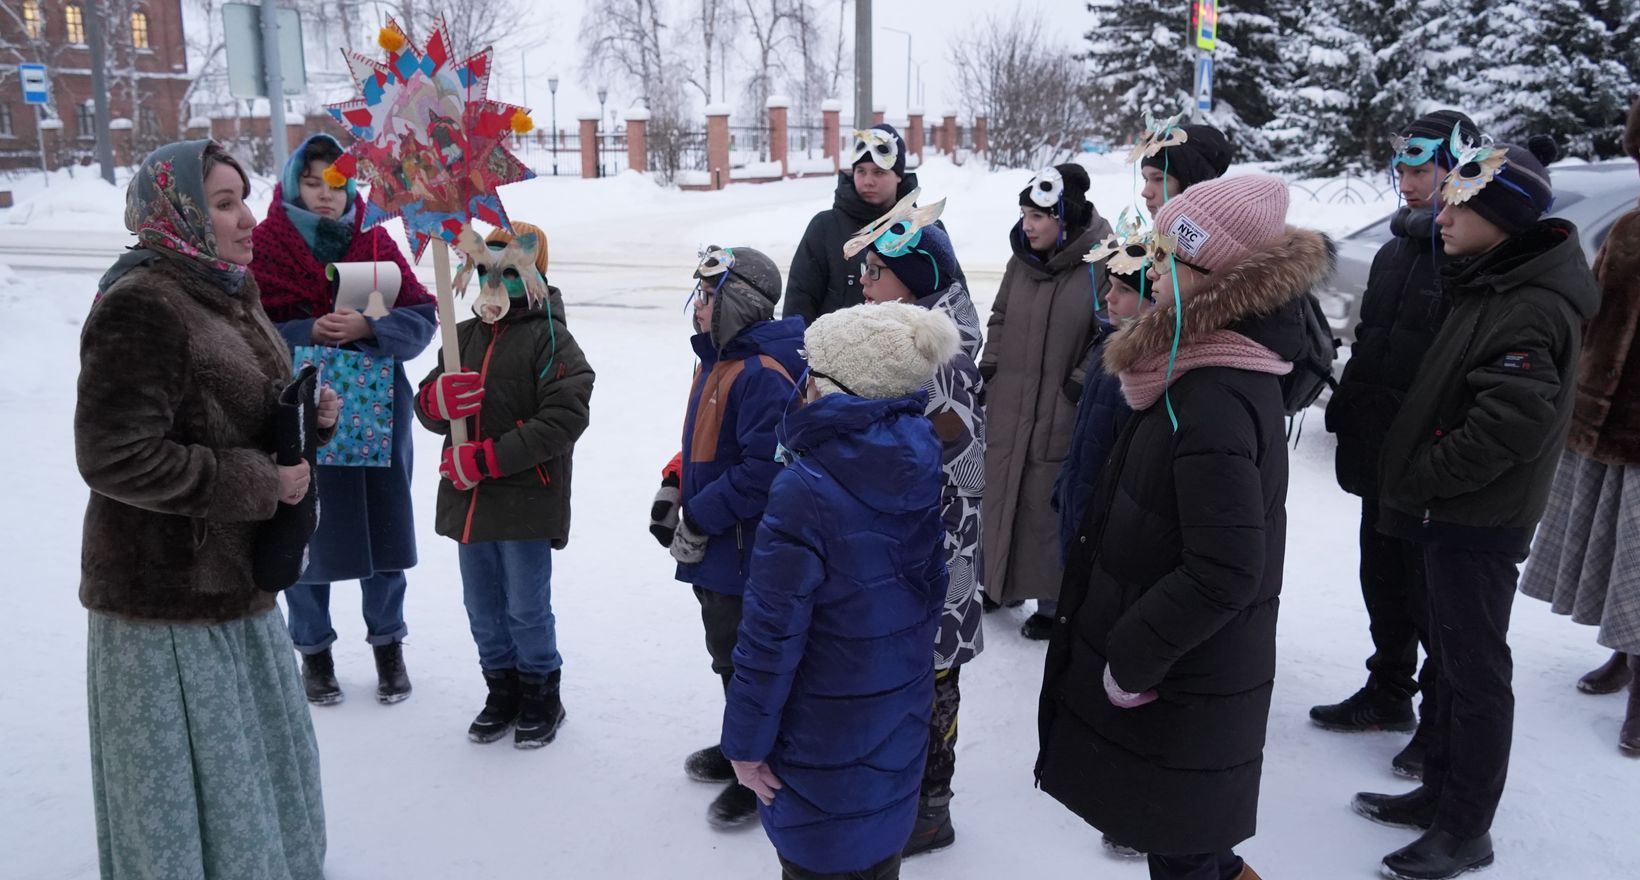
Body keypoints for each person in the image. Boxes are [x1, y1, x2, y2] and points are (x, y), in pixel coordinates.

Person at [1038, 174, 1326, 880]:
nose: (1152, 268)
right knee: (1182, 838)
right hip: (1182, 672)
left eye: (1169, 256)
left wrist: (1131, 657)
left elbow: (1225, 568)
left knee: (1189, 851)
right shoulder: (1187, 367)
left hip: (1181, 678)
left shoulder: (1214, 394)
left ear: (1215, 277)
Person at [77, 139, 337, 879]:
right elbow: (115, 457)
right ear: (179, 214)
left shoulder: (224, 288)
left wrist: (306, 421)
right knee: (185, 795)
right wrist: (261, 482)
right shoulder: (142, 306)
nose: (248, 218)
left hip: (237, 585)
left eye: (243, 198)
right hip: (165, 603)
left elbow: (237, 407)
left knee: (250, 778)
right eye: (224, 203)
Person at [1357, 134, 1597, 880]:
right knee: (1455, 669)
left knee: (1474, 670)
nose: (1445, 216)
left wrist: (1424, 476)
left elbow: (1509, 424)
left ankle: (1466, 828)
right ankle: (1439, 793)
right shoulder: (1493, 279)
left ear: (1506, 218)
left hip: (1474, 519)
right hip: (1452, 514)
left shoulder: (1528, 304)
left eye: (1464, 205)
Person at [722, 301, 957, 880]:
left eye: (810, 374)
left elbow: (770, 638)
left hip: (818, 743)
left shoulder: (806, 490)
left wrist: (745, 746)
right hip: (895, 721)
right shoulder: (920, 454)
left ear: (835, 389)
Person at [1315, 111, 1482, 777]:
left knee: (1428, 595)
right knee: (1380, 580)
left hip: (1431, 464)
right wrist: (1350, 408)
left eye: (1423, 171)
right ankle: (1389, 690)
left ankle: (1439, 715)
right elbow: (1374, 342)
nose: (1410, 184)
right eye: (1404, 171)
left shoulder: (1468, 257)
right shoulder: (1392, 252)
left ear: (1458, 170)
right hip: (1378, 450)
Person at [251, 132, 439, 707]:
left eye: (336, 183)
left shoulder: (372, 238)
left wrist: (369, 328)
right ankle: (314, 655)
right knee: (302, 529)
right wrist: (303, 331)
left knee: (383, 532)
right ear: (292, 184)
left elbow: (422, 316)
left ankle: (389, 648)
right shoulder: (266, 248)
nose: (326, 195)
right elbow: (244, 329)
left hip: (376, 415)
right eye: (312, 183)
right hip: (297, 414)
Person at [414, 222, 595, 749]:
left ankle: (541, 690)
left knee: (525, 606)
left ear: (535, 274)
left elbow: (564, 418)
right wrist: (436, 401)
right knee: (483, 606)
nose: (498, 281)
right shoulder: (462, 335)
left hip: (524, 502)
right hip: (468, 504)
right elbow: (429, 396)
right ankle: (501, 688)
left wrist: (488, 457)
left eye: (512, 270)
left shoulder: (552, 339)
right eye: (489, 269)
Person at [657, 246, 802, 828]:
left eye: (711, 295)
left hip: (747, 550)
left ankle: (764, 763)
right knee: (727, 653)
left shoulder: (761, 371)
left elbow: (762, 471)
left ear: (740, 301)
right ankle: (739, 739)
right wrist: (674, 484)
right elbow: (704, 445)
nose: (700, 306)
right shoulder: (717, 359)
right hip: (721, 547)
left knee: (750, 659)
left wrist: (700, 516)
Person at [854, 220, 986, 855]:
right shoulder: (912, 338)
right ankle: (908, 795)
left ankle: (932, 810)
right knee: (917, 676)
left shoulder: (939, 356)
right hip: (916, 547)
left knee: (933, 679)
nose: (862, 282)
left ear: (915, 281)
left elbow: (943, 460)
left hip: (934, 549)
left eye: (875, 272)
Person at [1517, 99, 1640, 754]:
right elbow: (1592, 311)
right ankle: (1625, 654)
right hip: (1607, 417)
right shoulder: (1627, 229)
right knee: (1615, 549)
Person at [981, 163, 1112, 637]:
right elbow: (998, 316)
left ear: (1065, 216)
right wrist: (991, 363)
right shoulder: (1021, 261)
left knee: (1045, 501)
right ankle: (997, 582)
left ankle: (1052, 601)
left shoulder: (1103, 260)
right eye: (1024, 214)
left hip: (1063, 406)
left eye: (1039, 215)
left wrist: (1080, 381)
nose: (1027, 225)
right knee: (1001, 491)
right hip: (1011, 399)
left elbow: (1112, 332)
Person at [784, 124, 958, 324]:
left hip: (909, 351)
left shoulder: (923, 230)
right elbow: (798, 305)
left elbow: (954, 306)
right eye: (861, 171)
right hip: (833, 351)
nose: (868, 181)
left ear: (898, 175)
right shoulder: (825, 227)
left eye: (879, 172)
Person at [1139, 123, 1234, 217]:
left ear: (1194, 182)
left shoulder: (1223, 231)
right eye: (1145, 179)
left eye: (1159, 179)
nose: (1145, 193)